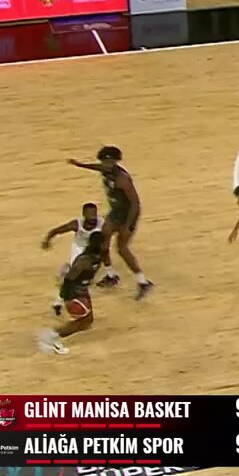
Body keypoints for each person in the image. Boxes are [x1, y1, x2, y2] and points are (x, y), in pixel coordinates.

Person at [67, 146, 153, 299]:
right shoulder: (106, 169)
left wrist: (128, 225)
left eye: (108, 162)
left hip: (127, 215)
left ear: (115, 161)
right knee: (102, 241)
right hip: (116, 212)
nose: (105, 165)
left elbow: (135, 203)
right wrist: (80, 165)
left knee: (122, 249)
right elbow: (97, 167)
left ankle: (143, 281)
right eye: (103, 162)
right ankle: (111, 275)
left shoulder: (122, 179)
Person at [37, 230, 105, 355]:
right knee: (83, 322)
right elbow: (69, 279)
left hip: (82, 291)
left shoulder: (97, 256)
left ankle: (52, 336)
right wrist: (63, 298)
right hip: (74, 293)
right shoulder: (84, 260)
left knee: (87, 322)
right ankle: (52, 337)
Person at [41, 202, 104, 315]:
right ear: (84, 215)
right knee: (74, 276)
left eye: (94, 214)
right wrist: (47, 239)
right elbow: (56, 230)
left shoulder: (102, 224)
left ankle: (110, 275)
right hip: (79, 248)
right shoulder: (76, 224)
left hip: (93, 249)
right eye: (90, 215)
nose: (92, 217)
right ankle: (59, 301)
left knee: (85, 276)